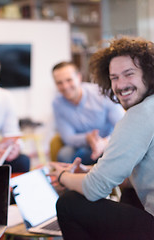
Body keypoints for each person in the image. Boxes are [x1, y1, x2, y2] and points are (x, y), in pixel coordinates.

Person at [49, 36, 154, 239]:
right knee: (130, 194)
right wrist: (90, 171)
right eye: (114, 77)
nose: (120, 85)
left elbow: (94, 189)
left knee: (69, 203)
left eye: (128, 74)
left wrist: (62, 176)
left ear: (149, 74)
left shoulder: (141, 114)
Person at [52, 61, 125, 165]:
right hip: (82, 145)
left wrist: (104, 143)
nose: (65, 86)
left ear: (79, 77)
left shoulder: (102, 94)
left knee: (113, 153)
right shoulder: (57, 103)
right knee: (64, 155)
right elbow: (68, 137)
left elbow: (123, 127)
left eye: (69, 80)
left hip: (110, 142)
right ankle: (70, 180)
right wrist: (87, 138)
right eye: (59, 83)